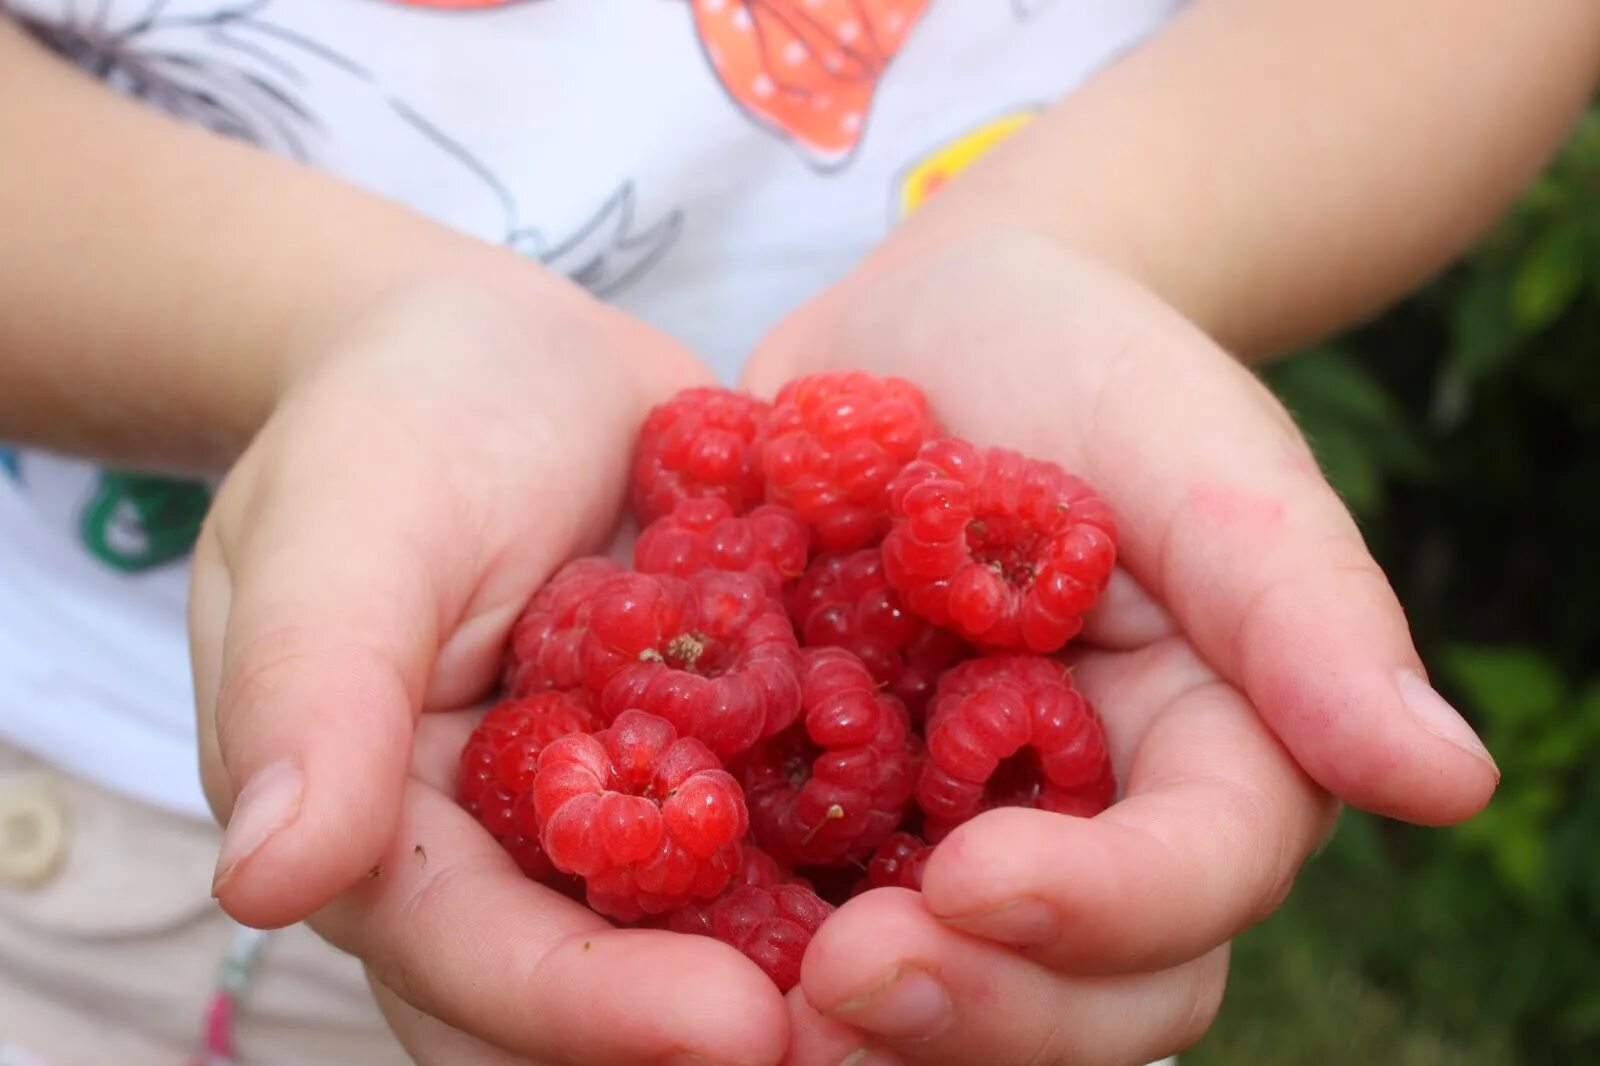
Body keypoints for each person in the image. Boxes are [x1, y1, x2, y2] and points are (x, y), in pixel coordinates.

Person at [0, 1, 1596, 1063]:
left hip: (935, 979)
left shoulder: (821, 659)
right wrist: (326, 322)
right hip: (75, 826)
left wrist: (1090, 235)